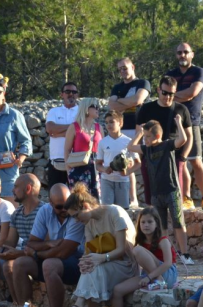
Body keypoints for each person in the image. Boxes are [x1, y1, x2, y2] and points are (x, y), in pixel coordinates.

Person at [6, 184, 84, 307]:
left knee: (49, 265)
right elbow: (31, 242)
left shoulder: (76, 213)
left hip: (78, 260)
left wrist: (37, 253)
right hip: (53, 256)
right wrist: (48, 244)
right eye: (60, 207)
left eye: (67, 205)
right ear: (50, 203)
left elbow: (64, 251)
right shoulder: (45, 211)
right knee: (20, 264)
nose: (65, 210)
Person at [64, 185, 138, 307]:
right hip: (106, 265)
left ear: (86, 206)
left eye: (76, 215)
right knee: (91, 269)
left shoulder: (115, 212)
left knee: (96, 270)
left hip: (126, 265)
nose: (76, 220)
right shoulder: (88, 224)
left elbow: (122, 250)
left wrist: (102, 258)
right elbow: (89, 252)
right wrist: (84, 262)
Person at [129, 117, 189, 258]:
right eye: (144, 137)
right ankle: (165, 254)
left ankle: (185, 254)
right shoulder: (146, 149)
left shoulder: (167, 145)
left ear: (157, 136)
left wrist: (179, 123)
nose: (145, 140)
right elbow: (131, 147)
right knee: (161, 226)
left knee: (178, 222)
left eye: (148, 137)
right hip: (156, 194)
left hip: (171, 190)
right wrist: (140, 133)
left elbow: (183, 140)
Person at [0, 173, 40, 302]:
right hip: (24, 255)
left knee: (11, 266)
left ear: (28, 189)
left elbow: (44, 245)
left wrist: (17, 253)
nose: (12, 190)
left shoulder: (43, 211)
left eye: (16, 187)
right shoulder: (17, 213)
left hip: (39, 257)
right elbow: (10, 243)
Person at [167, 42, 203, 209]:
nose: (182, 55)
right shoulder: (170, 74)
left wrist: (171, 95)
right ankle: (186, 198)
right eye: (179, 52)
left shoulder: (198, 72)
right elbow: (164, 95)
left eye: (186, 52)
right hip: (172, 121)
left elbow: (192, 93)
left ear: (192, 54)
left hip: (191, 122)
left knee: (195, 160)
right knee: (180, 161)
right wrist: (176, 96)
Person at [111, 208, 177, 307]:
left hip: (167, 275)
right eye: (143, 222)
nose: (146, 225)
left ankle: (159, 281)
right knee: (117, 290)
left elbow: (168, 263)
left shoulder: (163, 240)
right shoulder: (141, 241)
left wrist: (149, 277)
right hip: (150, 275)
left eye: (150, 222)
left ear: (156, 223)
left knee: (137, 249)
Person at [107, 57, 150, 204]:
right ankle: (132, 199)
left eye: (125, 68)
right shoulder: (116, 87)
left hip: (138, 128)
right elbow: (111, 106)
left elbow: (138, 100)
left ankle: (145, 199)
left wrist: (120, 102)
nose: (122, 71)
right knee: (126, 164)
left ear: (133, 66)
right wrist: (129, 101)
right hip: (122, 130)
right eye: (120, 69)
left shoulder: (142, 83)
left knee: (142, 164)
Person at [64, 98, 102, 199]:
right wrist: (69, 170)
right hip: (78, 167)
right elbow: (67, 149)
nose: (98, 109)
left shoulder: (99, 127)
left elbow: (103, 149)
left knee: (97, 199)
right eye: (95, 106)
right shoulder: (74, 127)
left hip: (96, 168)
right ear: (86, 108)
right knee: (79, 200)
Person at [45, 82, 81, 188]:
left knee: (77, 197)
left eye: (74, 92)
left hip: (77, 160)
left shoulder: (82, 112)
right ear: (62, 94)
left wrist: (58, 132)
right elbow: (50, 129)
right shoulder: (54, 111)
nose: (71, 94)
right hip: (57, 161)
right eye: (67, 91)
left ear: (77, 95)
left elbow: (83, 132)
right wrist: (73, 127)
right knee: (56, 197)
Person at [96, 110, 133, 208]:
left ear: (120, 123)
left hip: (122, 181)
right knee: (107, 211)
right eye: (106, 122)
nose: (108, 125)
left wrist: (127, 171)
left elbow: (137, 163)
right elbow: (98, 164)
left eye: (112, 122)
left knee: (122, 212)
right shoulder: (102, 142)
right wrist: (104, 169)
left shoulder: (128, 142)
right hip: (107, 181)